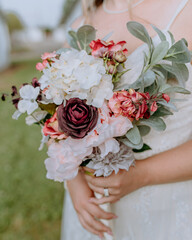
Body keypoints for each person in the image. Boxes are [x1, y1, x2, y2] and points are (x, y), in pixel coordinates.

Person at [61, 0, 192, 239]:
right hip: (94, 211)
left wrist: (142, 174)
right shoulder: (79, 26)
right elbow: (57, 119)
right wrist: (73, 179)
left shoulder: (185, 11)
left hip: (168, 206)